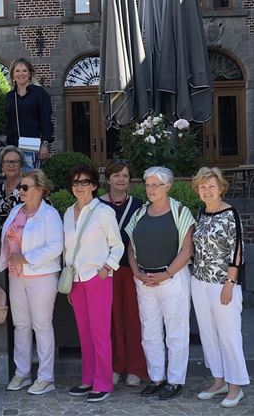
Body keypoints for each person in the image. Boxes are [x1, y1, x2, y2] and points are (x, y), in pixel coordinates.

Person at [125, 167, 196, 400]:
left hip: (172, 280)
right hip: (144, 280)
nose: (151, 189)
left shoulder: (180, 211)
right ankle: (157, 378)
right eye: (147, 185)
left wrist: (166, 274)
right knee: (150, 332)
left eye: (156, 185)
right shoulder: (140, 213)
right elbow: (131, 248)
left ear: (168, 186)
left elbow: (187, 250)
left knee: (176, 332)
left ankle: (174, 381)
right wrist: (136, 272)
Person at [63, 164, 124, 402]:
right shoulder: (68, 212)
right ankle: (88, 379)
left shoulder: (103, 211)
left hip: (97, 279)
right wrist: (69, 279)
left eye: (84, 182)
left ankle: (103, 383)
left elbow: (117, 245)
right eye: (76, 182)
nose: (79, 187)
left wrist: (107, 268)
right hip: (76, 280)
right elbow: (68, 248)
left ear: (94, 186)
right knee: (84, 334)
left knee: (99, 334)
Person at [0, 169, 63, 395]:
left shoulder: (50, 214)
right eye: (20, 187)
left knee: (42, 325)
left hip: (42, 276)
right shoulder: (16, 210)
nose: (21, 190)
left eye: (25, 187)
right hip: (16, 276)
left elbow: (56, 246)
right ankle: (22, 373)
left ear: (40, 190)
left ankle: (46, 377)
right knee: (21, 325)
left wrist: (27, 259)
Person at [191, 167, 249, 408]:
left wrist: (230, 282)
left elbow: (237, 250)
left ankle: (236, 386)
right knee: (208, 334)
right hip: (199, 282)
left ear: (221, 188)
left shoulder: (230, 213)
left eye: (211, 186)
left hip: (222, 284)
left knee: (229, 335)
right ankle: (219, 380)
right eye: (203, 187)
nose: (207, 191)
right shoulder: (201, 213)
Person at [99, 160, 147, 387]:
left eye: (125, 176)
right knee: (112, 322)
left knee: (134, 320)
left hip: (130, 270)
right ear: (107, 179)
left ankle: (136, 368)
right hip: (105, 272)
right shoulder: (96, 206)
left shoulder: (139, 205)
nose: (120, 179)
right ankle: (116, 365)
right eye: (116, 175)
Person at [4, 58, 53, 169]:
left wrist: (45, 144)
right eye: (17, 71)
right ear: (13, 75)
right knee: (16, 179)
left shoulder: (39, 93)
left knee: (30, 179)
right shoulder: (10, 96)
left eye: (24, 70)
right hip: (13, 146)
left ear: (30, 74)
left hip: (32, 145)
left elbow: (46, 119)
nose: (21, 74)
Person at [0, 145, 25, 232]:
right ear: (2, 166)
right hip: (4, 242)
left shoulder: (28, 186)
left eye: (15, 162)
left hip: (27, 241)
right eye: (7, 162)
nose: (11, 165)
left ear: (21, 165)